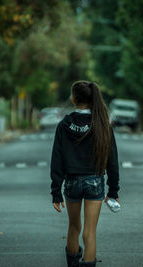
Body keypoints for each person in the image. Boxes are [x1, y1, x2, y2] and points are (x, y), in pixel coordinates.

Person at [50, 81, 120, 267]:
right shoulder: (102, 124)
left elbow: (57, 160)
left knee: (74, 227)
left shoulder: (64, 125)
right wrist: (113, 191)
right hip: (95, 182)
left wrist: (56, 192)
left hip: (71, 182)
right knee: (90, 233)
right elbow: (112, 159)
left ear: (73, 99)